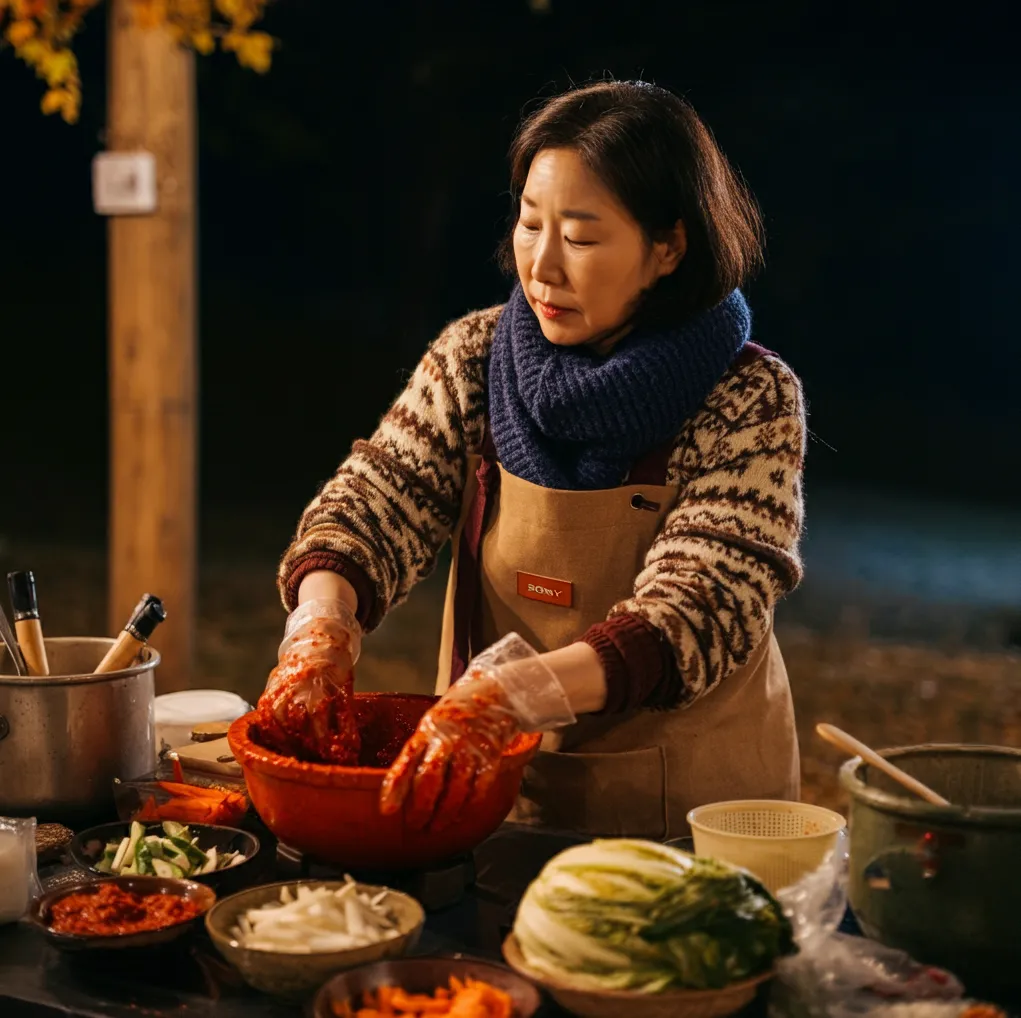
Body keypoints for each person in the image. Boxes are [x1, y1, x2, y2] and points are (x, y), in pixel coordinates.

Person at [269, 79, 805, 839]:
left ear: (668, 247)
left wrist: (511, 693)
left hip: (692, 817)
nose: (542, 266)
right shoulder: (474, 357)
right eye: (529, 224)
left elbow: (700, 604)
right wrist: (319, 624)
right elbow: (375, 500)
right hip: (489, 788)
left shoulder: (748, 398)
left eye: (581, 238)